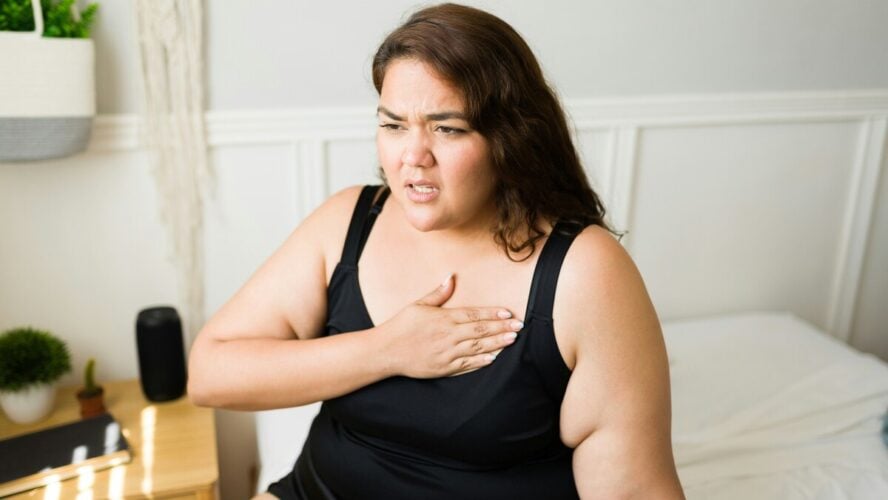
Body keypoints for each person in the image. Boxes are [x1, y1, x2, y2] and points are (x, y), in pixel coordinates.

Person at [188, 3, 684, 499]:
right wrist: (388, 350)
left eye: (447, 128)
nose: (413, 157)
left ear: (511, 137)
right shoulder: (348, 221)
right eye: (393, 125)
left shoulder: (585, 272)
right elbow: (211, 375)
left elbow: (638, 490)